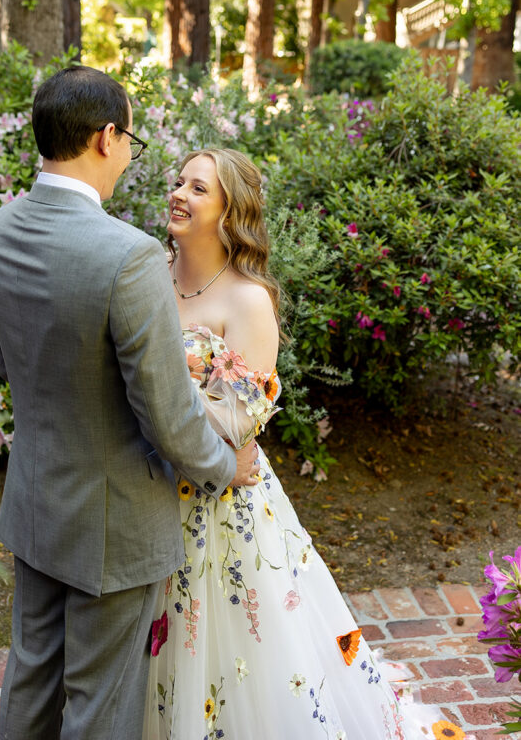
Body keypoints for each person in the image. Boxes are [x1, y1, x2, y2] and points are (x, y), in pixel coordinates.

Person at [143, 147, 465, 740]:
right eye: (179, 182)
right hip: (149, 492)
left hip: (220, 504)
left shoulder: (247, 299)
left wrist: (158, 387)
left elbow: (236, 420)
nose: (179, 195)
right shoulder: (148, 276)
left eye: (198, 189)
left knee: (241, 643)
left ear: (229, 212)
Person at [0, 68, 260, 740]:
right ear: (105, 137)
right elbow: (165, 415)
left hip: (35, 499)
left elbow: (12, 361)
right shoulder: (127, 257)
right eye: (129, 136)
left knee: (32, 674)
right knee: (101, 703)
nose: (131, 154)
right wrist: (224, 468)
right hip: (114, 522)